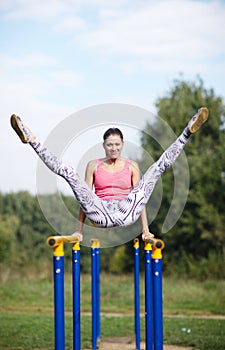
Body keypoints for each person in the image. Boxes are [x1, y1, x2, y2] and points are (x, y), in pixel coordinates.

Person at [10, 107, 208, 241]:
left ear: (122, 146)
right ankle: (32, 140)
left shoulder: (132, 166)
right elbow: (84, 199)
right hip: (100, 213)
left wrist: (145, 231)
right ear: (104, 146)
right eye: (110, 145)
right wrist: (79, 231)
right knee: (69, 173)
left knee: (154, 171)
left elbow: (140, 198)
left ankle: (187, 133)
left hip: (126, 212)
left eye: (117, 145)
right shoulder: (93, 165)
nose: (113, 148)